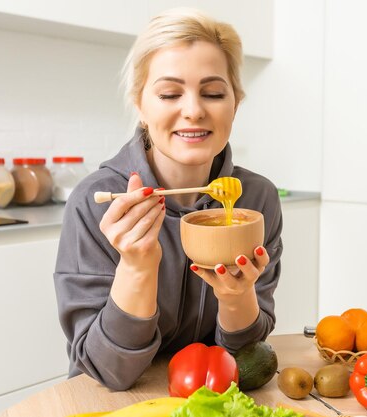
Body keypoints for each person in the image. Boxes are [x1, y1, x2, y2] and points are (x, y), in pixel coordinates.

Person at [53, 8, 283, 391]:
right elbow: (107, 372)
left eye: (212, 93)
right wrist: (137, 269)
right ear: (141, 105)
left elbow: (249, 361)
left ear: (235, 103)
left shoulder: (257, 200)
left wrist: (236, 297)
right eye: (169, 93)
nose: (193, 110)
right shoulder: (96, 205)